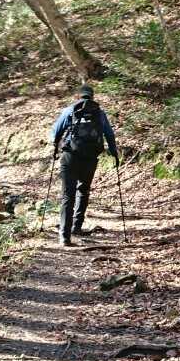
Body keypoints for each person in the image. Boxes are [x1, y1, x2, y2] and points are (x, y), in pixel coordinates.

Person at [50, 85, 120, 246]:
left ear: (79, 96)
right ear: (92, 96)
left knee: (68, 195)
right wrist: (114, 153)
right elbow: (109, 134)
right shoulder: (99, 113)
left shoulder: (69, 110)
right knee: (83, 190)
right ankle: (76, 227)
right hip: (90, 157)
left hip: (70, 156)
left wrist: (55, 147)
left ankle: (64, 236)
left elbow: (55, 133)